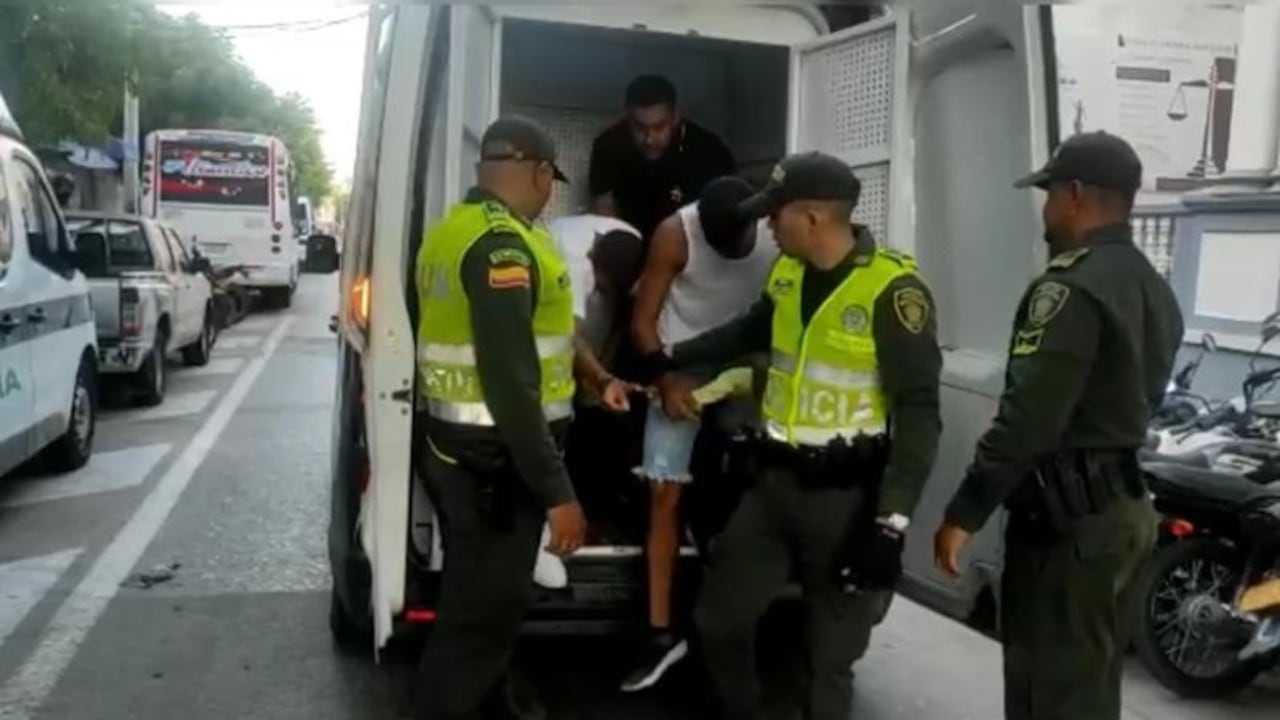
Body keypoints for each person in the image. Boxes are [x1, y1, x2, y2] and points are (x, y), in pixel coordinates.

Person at [660, 152, 943, 720]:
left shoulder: (893, 291)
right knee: (719, 621)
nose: (767, 226)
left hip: (846, 501)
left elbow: (919, 413)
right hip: (773, 489)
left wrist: (891, 526)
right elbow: (748, 330)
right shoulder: (787, 274)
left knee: (827, 659)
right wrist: (667, 357)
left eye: (774, 215)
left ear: (812, 218)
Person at [933, 131, 1182, 720]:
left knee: (1049, 691)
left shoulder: (1069, 287)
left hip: (1067, 526)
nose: (1043, 211)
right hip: (1119, 510)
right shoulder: (1152, 285)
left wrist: (964, 514)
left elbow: (1027, 421)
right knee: (1088, 685)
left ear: (1074, 195)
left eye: (1047, 195)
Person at [405, 115, 632, 720]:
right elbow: (510, 382)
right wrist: (559, 495)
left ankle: (494, 702)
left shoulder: (453, 232)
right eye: (549, 179)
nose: (550, 190)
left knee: (478, 607)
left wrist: (600, 377)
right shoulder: (502, 247)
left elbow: (547, 333)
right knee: (477, 627)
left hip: (466, 454)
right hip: (494, 463)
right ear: (536, 171)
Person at [622, 175, 778, 692]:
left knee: (751, 491)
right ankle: (658, 633)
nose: (734, 249)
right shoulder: (675, 233)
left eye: (740, 239)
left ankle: (735, 625)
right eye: (721, 243)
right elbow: (642, 321)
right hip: (680, 364)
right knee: (664, 493)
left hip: (745, 365)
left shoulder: (779, 231)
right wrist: (664, 378)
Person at [531, 214, 647, 588]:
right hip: (545, 308)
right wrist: (600, 379)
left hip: (602, 289)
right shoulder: (571, 262)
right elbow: (571, 338)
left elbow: (616, 322)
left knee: (601, 419)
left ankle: (599, 514)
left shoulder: (631, 241)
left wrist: (606, 381)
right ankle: (558, 529)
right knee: (566, 421)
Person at [588, 74, 736, 244]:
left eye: (659, 127)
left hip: (692, 247)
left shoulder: (708, 152)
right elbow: (604, 215)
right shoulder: (608, 147)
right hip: (630, 244)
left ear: (675, 118)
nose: (649, 139)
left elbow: (722, 217)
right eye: (640, 127)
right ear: (627, 118)